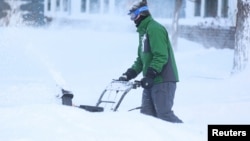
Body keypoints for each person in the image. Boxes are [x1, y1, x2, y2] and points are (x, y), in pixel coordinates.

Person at [118, 1, 183, 123]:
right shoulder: (143, 32)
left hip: (163, 80)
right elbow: (141, 60)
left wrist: (150, 74)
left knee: (164, 115)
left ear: (141, 14)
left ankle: (188, 134)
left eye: (133, 16)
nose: (132, 20)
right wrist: (129, 74)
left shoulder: (154, 29)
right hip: (151, 81)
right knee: (147, 117)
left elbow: (161, 56)